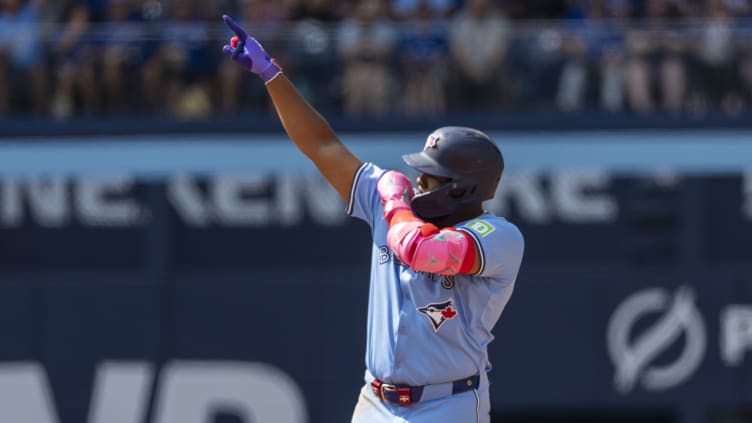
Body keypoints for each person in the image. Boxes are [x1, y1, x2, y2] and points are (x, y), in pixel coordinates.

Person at [220, 14, 524, 423]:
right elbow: (322, 146)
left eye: (431, 175)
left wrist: (394, 202)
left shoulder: (498, 237)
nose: (418, 180)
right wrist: (271, 74)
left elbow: (422, 250)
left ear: (462, 187)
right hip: (376, 401)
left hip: (447, 404)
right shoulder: (398, 198)